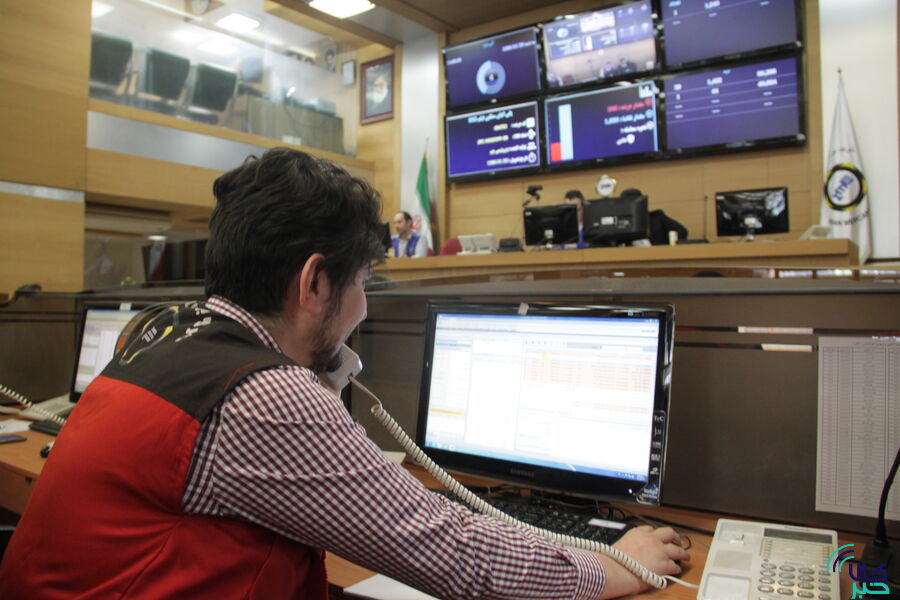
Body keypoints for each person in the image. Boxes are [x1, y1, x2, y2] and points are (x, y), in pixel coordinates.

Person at [0, 148, 687, 599]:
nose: (363, 305)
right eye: (361, 282)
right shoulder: (261, 396)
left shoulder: (165, 332)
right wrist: (620, 563)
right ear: (314, 283)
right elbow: (462, 561)